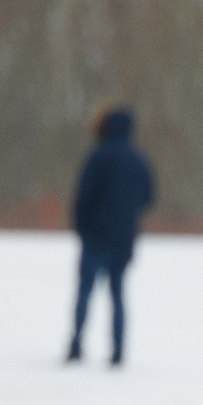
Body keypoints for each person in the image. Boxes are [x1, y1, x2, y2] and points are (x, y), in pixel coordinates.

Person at [67, 105, 155, 366]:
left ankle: (76, 345)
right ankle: (118, 351)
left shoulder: (98, 156)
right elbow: (149, 197)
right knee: (118, 295)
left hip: (94, 237)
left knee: (85, 293)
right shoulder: (139, 159)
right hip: (123, 238)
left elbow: (83, 197)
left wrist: (82, 228)